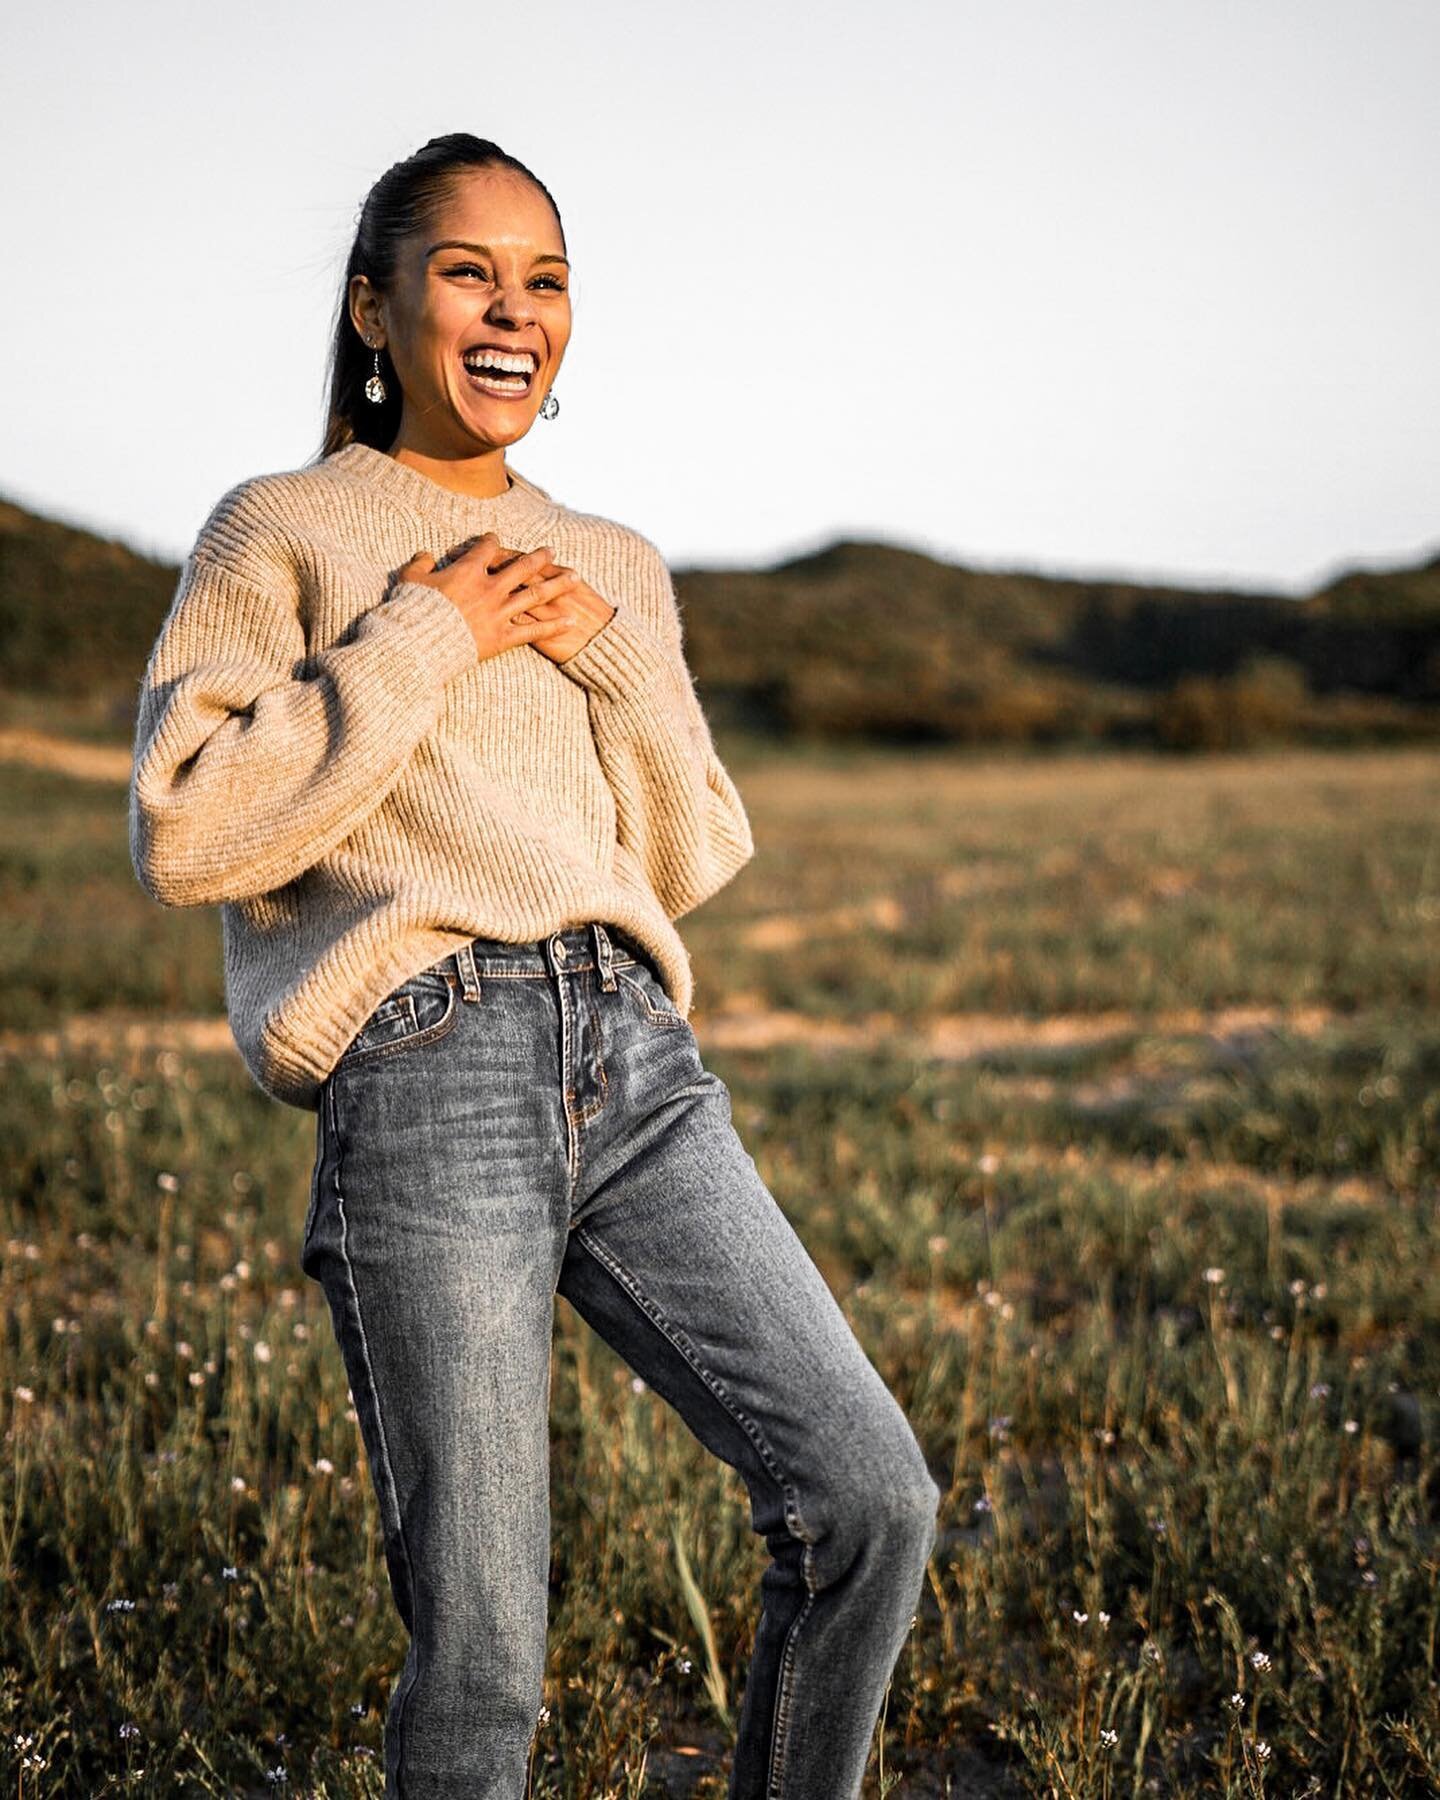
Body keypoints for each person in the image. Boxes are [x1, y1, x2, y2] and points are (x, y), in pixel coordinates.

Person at [129, 131, 941, 1799]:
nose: (516, 311)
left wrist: (608, 655)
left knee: (871, 1497)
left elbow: (693, 848)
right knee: (488, 1655)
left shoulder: (618, 558)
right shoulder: (279, 528)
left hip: (639, 1063)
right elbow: (189, 830)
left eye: (548, 279)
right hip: (427, 1067)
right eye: (467, 273)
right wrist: (427, 635)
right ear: (375, 309)